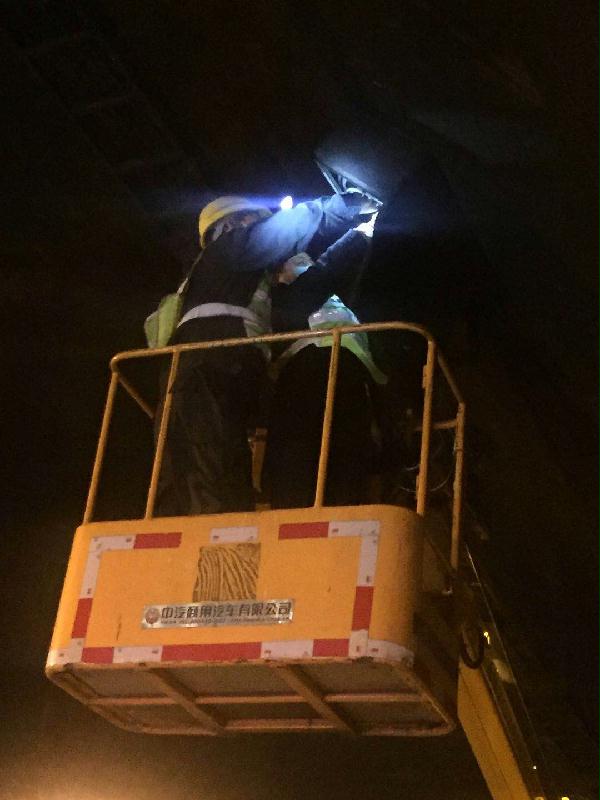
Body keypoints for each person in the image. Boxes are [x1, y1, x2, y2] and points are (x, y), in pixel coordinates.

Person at [156, 192, 373, 515]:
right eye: (254, 222)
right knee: (212, 464)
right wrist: (347, 206)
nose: (259, 227)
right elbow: (288, 229)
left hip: (207, 371)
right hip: (211, 365)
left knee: (206, 464)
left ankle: (222, 529)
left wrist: (357, 237)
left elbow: (312, 284)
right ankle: (221, 535)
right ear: (230, 224)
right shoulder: (227, 250)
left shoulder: (227, 279)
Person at [262, 211, 388, 509]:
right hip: (322, 372)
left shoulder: (306, 298)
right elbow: (327, 269)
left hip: (321, 374)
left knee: (311, 459)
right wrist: (360, 233)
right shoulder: (288, 296)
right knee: (330, 459)